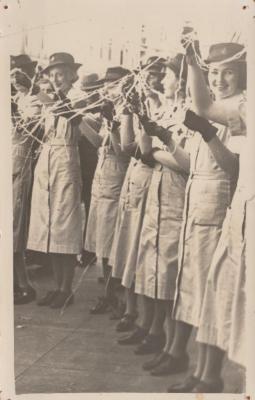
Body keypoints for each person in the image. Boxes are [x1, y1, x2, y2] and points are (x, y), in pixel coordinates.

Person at [167, 38, 247, 393]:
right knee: (200, 285)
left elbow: (234, 168)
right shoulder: (217, 106)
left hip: (220, 206)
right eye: (214, 72)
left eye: (228, 72)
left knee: (210, 290)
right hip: (198, 202)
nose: (220, 80)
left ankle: (207, 372)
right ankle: (201, 371)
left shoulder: (239, 108)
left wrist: (209, 133)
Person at [132, 55, 189, 365]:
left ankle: (172, 347)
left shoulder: (187, 114)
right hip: (158, 194)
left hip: (177, 199)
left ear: (180, 79)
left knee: (170, 275)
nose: (162, 81)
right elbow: (144, 153)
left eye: (166, 75)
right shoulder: (166, 110)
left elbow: (186, 163)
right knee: (154, 269)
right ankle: (157, 334)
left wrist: (156, 150)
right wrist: (147, 134)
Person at [109, 58, 166, 334]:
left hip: (153, 180)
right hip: (136, 179)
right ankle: (132, 310)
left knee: (143, 252)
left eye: (156, 75)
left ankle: (146, 321)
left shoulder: (162, 106)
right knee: (129, 246)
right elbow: (126, 146)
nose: (151, 80)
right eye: (146, 76)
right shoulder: (142, 105)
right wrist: (128, 114)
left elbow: (142, 152)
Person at [27, 52, 83, 309]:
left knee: (64, 224)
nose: (56, 78)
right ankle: (57, 286)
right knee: (49, 225)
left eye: (61, 73)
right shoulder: (48, 100)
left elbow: (80, 123)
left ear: (72, 74)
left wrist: (60, 103)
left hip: (65, 158)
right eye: (52, 74)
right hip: (48, 159)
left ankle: (66, 287)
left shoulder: (78, 95)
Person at [84, 66, 130, 314]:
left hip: (117, 177)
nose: (107, 88)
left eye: (113, 84)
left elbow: (123, 152)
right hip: (102, 176)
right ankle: (108, 293)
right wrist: (77, 120)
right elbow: (97, 144)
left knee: (112, 237)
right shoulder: (109, 110)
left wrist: (112, 125)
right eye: (106, 84)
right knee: (102, 235)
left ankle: (113, 294)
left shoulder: (127, 112)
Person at [11, 54, 41, 305]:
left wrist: (12, 112)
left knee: (14, 230)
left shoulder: (33, 100)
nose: (16, 78)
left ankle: (24, 285)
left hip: (20, 167)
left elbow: (30, 130)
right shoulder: (15, 98)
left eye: (21, 73)